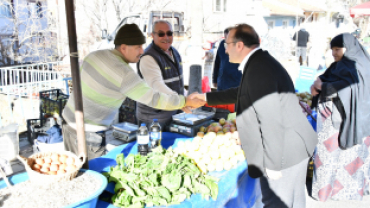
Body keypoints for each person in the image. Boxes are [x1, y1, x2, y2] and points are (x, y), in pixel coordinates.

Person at [190, 24, 318, 207]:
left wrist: (273, 163)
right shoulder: (258, 62)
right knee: (292, 201)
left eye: (227, 44)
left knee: (280, 202)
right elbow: (241, 92)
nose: (225, 50)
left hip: (285, 151)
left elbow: (270, 116)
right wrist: (205, 98)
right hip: (291, 146)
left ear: (239, 45)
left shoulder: (259, 68)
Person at [62, 24, 204, 160]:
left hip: (68, 121)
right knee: (92, 178)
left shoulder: (94, 55)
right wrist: (184, 101)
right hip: (87, 132)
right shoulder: (123, 74)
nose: (142, 51)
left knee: (75, 171)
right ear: (124, 48)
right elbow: (154, 99)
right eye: (138, 47)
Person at [311, 33, 370, 201]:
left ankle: (345, 193)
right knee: (330, 158)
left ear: (349, 48)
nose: (334, 53)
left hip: (353, 120)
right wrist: (317, 84)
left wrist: (325, 87)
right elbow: (328, 76)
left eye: (338, 49)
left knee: (349, 159)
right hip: (335, 121)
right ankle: (325, 192)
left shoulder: (359, 66)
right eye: (332, 50)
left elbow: (352, 88)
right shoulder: (340, 65)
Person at [136, 20, 184, 128]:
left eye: (169, 33)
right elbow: (156, 85)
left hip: (172, 113)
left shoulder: (174, 52)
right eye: (161, 34)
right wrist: (181, 101)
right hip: (153, 118)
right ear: (153, 35)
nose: (166, 37)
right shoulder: (148, 57)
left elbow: (178, 82)